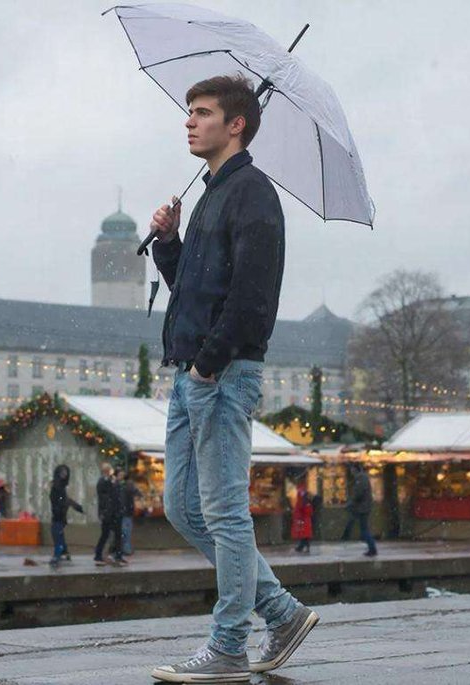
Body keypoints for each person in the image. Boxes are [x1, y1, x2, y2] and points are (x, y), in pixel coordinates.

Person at [148, 75, 317, 682]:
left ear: (236, 124)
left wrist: (209, 363)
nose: (189, 122)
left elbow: (251, 294)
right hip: (192, 374)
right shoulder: (213, 193)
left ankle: (227, 647)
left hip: (220, 373)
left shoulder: (252, 193)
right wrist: (170, 244)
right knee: (182, 508)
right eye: (189, 112)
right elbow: (196, 292)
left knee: (222, 512)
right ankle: (281, 611)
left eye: (202, 112)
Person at [49, 463, 84, 568]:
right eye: (62, 472)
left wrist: (76, 506)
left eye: (65, 472)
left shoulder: (59, 486)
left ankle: (58, 555)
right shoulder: (58, 486)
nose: (64, 474)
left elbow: (64, 500)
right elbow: (62, 500)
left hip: (59, 515)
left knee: (57, 534)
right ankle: (64, 552)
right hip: (58, 514)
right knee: (58, 534)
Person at [343, 464, 378, 557]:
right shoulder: (363, 478)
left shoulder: (361, 479)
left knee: (364, 530)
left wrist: (350, 503)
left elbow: (358, 493)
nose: (351, 472)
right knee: (362, 528)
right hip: (363, 507)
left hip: (362, 508)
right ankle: (371, 547)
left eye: (352, 470)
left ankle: (372, 548)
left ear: (355, 470)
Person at [93, 463, 125, 566]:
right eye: (108, 470)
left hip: (113, 512)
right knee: (107, 535)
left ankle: (117, 555)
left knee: (114, 535)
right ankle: (102, 555)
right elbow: (107, 498)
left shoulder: (111, 481)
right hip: (109, 513)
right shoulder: (104, 481)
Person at [118, 469, 139, 558]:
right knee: (125, 532)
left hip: (124, 512)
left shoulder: (125, 485)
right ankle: (126, 549)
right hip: (125, 512)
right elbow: (137, 493)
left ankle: (125, 549)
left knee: (124, 532)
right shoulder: (127, 485)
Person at [291, 481, 314, 554]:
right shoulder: (305, 500)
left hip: (303, 518)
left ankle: (302, 546)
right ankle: (304, 546)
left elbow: (304, 509)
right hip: (304, 519)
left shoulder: (303, 500)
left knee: (303, 534)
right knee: (304, 534)